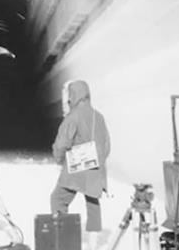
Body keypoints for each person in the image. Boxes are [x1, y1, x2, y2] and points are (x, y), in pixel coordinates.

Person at [51, 80, 111, 250]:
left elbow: (62, 143)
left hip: (76, 167)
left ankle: (63, 240)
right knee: (92, 203)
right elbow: (107, 145)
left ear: (73, 96)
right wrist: (97, 160)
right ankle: (94, 242)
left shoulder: (73, 117)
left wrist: (59, 159)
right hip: (95, 168)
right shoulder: (98, 116)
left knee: (58, 199)